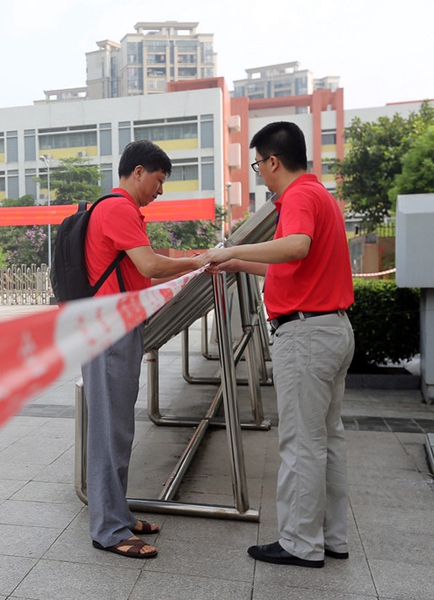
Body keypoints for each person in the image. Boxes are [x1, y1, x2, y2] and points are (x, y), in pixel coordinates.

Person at [199, 121, 354, 568]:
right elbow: (290, 265)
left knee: (302, 443)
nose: (258, 174)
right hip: (332, 330)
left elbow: (296, 247)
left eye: (257, 164)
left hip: (307, 336)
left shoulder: (300, 197)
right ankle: (331, 538)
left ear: (272, 160)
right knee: (327, 439)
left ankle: (300, 545)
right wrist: (238, 261)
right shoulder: (321, 195)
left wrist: (225, 251)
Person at [84, 140, 201, 559]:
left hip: (116, 326)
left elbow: (141, 275)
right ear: (137, 172)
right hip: (109, 329)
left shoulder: (121, 211)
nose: (160, 190)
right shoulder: (116, 209)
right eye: (158, 180)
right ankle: (109, 530)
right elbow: (151, 265)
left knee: (118, 428)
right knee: (110, 431)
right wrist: (198, 261)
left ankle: (116, 512)